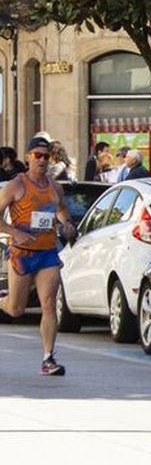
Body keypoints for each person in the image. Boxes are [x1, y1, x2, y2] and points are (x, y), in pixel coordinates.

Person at [0, 137, 78, 375]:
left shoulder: (55, 187)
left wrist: (67, 225)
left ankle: (48, 359)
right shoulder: (16, 185)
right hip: (22, 254)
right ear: (27, 158)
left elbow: (62, 210)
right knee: (16, 309)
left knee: (49, 305)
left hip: (47, 253)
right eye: (37, 155)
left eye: (46, 156)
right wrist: (15, 233)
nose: (42, 160)